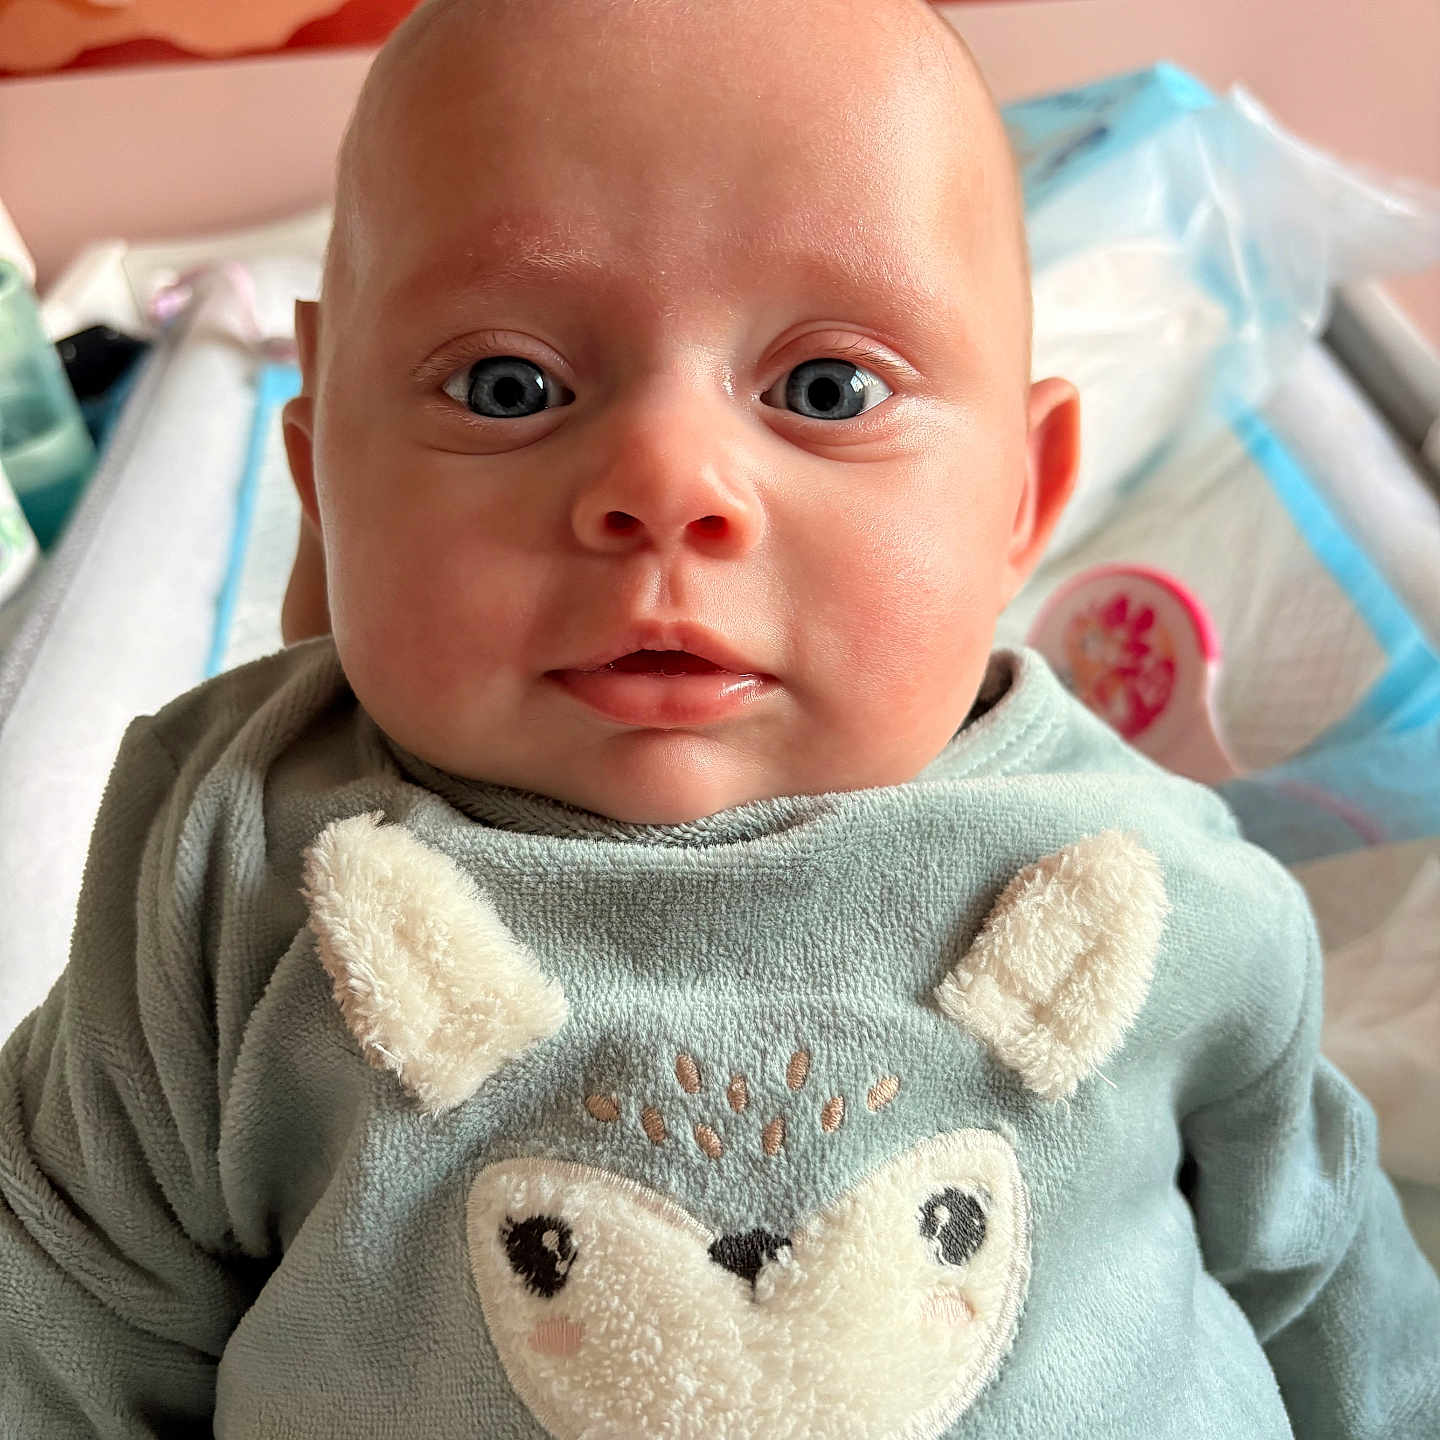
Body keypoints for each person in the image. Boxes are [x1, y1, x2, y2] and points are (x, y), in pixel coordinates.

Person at [2, 0, 1437, 1433]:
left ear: (1020, 499)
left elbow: (1325, 1279)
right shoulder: (239, 859)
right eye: (510, 386)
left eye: (827, 387)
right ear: (323, 478)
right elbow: (62, 1299)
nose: (668, 478)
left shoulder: (1143, 876)